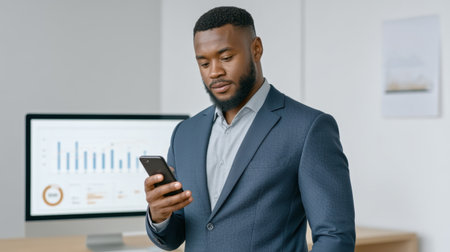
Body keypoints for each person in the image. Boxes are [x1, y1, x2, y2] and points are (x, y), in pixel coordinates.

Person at [144, 6, 355, 252]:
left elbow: (335, 237)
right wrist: (160, 215)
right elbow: (174, 237)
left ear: (256, 49)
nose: (215, 72)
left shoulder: (308, 128)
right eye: (203, 63)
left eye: (225, 58)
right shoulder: (185, 134)